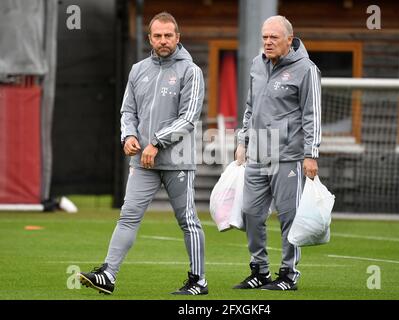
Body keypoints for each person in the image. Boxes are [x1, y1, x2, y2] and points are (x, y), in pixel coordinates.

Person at [78, 12, 208, 296]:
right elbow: (128, 110)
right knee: (128, 216)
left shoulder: (191, 71)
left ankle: (198, 281)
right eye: (158, 36)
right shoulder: (138, 70)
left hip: (177, 161)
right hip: (143, 160)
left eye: (168, 36)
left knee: (187, 221)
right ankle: (108, 275)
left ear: (178, 37)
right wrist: (129, 136)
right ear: (150, 38)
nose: (163, 41)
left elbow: (188, 119)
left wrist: (156, 142)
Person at [234, 15, 321, 291]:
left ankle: (288, 274)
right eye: (264, 37)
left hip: (289, 157)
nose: (267, 42)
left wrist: (311, 153)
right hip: (257, 155)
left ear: (289, 39)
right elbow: (250, 107)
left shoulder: (306, 69)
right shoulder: (256, 65)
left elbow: (312, 115)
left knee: (288, 216)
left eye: (273, 37)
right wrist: (242, 140)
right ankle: (259, 270)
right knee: (250, 213)